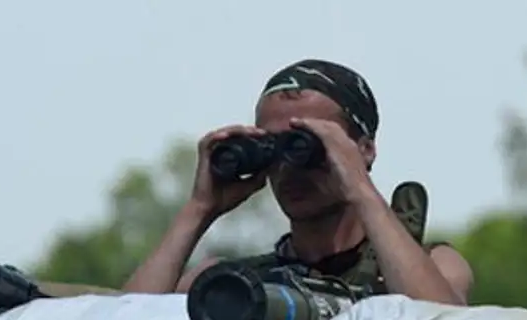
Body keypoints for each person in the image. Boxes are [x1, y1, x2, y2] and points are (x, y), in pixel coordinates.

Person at [122, 58, 473, 306]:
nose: (290, 168)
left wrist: (360, 189)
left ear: (363, 149)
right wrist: (199, 210)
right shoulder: (227, 281)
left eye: (304, 145)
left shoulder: (435, 265)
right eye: (272, 146)